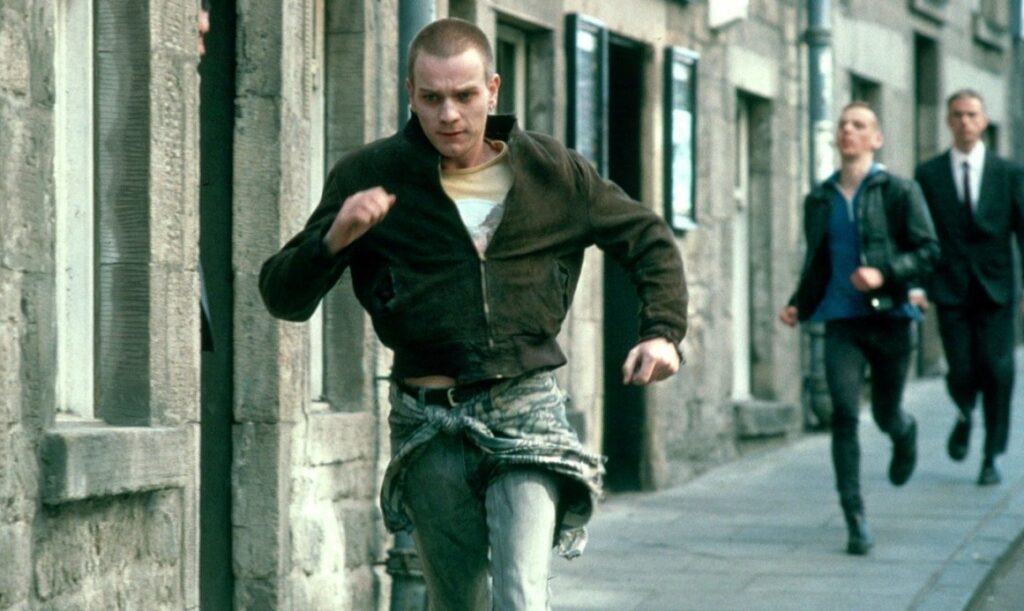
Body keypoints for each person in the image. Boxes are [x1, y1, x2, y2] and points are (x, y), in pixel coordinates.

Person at [258, 18, 688, 609]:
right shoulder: (370, 175)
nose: (449, 115)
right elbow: (282, 296)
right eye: (431, 98)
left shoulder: (551, 171)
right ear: (411, 94)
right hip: (428, 422)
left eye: (464, 95)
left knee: (519, 595)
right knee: (459, 601)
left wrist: (662, 332)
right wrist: (333, 239)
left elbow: (647, 238)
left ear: (493, 89)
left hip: (523, 409)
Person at [779, 102, 939, 555]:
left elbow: (929, 251)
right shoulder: (820, 198)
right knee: (844, 415)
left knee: (886, 412)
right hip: (842, 322)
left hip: (891, 320)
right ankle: (855, 517)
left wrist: (884, 274)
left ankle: (903, 432)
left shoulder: (900, 191)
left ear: (876, 139)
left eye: (859, 125)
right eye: (843, 125)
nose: (848, 130)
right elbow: (818, 262)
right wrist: (798, 304)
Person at [914, 89, 1024, 486]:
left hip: (997, 288)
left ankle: (991, 455)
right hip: (951, 287)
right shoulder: (929, 174)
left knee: (998, 369)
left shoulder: (1008, 173)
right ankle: (964, 413)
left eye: (972, 115)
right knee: (960, 369)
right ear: (948, 121)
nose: (965, 122)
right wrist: (918, 285)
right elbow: (919, 235)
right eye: (958, 115)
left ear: (984, 121)